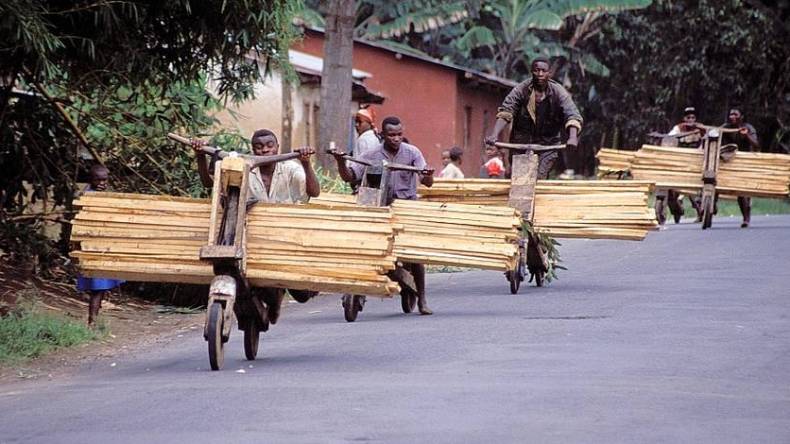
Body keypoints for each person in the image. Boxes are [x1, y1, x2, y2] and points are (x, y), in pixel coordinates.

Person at [192, 129, 320, 323]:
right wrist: (200, 157)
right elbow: (210, 184)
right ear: (252, 150)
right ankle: (269, 299)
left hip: (286, 235)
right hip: (253, 234)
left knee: (302, 294)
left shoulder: (290, 168)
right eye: (259, 147)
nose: (264, 151)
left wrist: (305, 163)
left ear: (277, 148)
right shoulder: (244, 168)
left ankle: (279, 295)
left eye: (269, 146)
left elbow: (314, 192)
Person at [331, 116, 436, 315]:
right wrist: (340, 162)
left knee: (415, 253)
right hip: (378, 209)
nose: (396, 138)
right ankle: (358, 291)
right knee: (363, 246)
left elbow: (427, 182)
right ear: (382, 134)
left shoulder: (412, 152)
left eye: (399, 134)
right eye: (391, 135)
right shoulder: (371, 154)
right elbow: (350, 177)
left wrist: (428, 173)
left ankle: (422, 299)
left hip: (406, 208)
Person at [485, 58, 582, 179]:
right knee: (516, 178)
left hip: (548, 145)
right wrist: (495, 134)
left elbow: (572, 114)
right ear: (531, 72)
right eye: (536, 70)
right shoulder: (521, 90)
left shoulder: (558, 92)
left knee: (538, 177)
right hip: (521, 144)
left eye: (543, 71)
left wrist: (572, 137)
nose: (540, 74)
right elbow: (506, 111)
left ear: (549, 73)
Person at [77, 164, 124, 326]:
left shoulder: (102, 195)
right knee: (97, 288)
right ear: (91, 180)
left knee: (101, 288)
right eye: (99, 180)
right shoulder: (89, 196)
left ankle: (94, 321)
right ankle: (92, 322)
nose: (103, 183)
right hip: (94, 248)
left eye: (105, 180)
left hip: (104, 247)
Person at [660, 106, 706, 224]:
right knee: (672, 190)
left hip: (696, 162)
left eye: (693, 117)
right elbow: (669, 139)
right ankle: (676, 210)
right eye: (688, 117)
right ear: (684, 118)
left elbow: (707, 141)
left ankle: (700, 211)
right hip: (680, 162)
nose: (690, 119)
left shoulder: (701, 128)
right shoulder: (678, 128)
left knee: (695, 190)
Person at [721, 107, 760, 228]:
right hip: (729, 160)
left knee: (743, 192)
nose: (732, 117)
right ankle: (709, 209)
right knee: (738, 192)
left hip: (745, 162)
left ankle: (746, 218)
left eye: (735, 114)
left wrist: (746, 134)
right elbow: (716, 135)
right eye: (731, 114)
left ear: (741, 116)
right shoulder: (726, 127)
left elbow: (756, 145)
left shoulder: (748, 127)